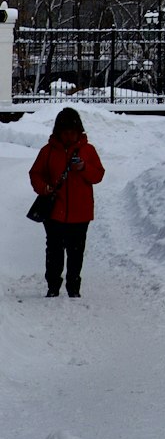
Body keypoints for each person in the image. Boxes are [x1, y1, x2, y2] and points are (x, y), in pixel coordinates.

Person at [29, 107, 105, 298]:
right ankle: (53, 286)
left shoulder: (88, 150)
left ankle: (73, 287)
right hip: (54, 211)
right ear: (58, 132)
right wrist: (43, 188)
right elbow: (36, 173)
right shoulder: (48, 151)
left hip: (81, 213)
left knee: (76, 252)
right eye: (65, 132)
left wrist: (83, 167)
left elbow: (98, 175)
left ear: (78, 131)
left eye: (73, 132)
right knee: (54, 250)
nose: (69, 136)